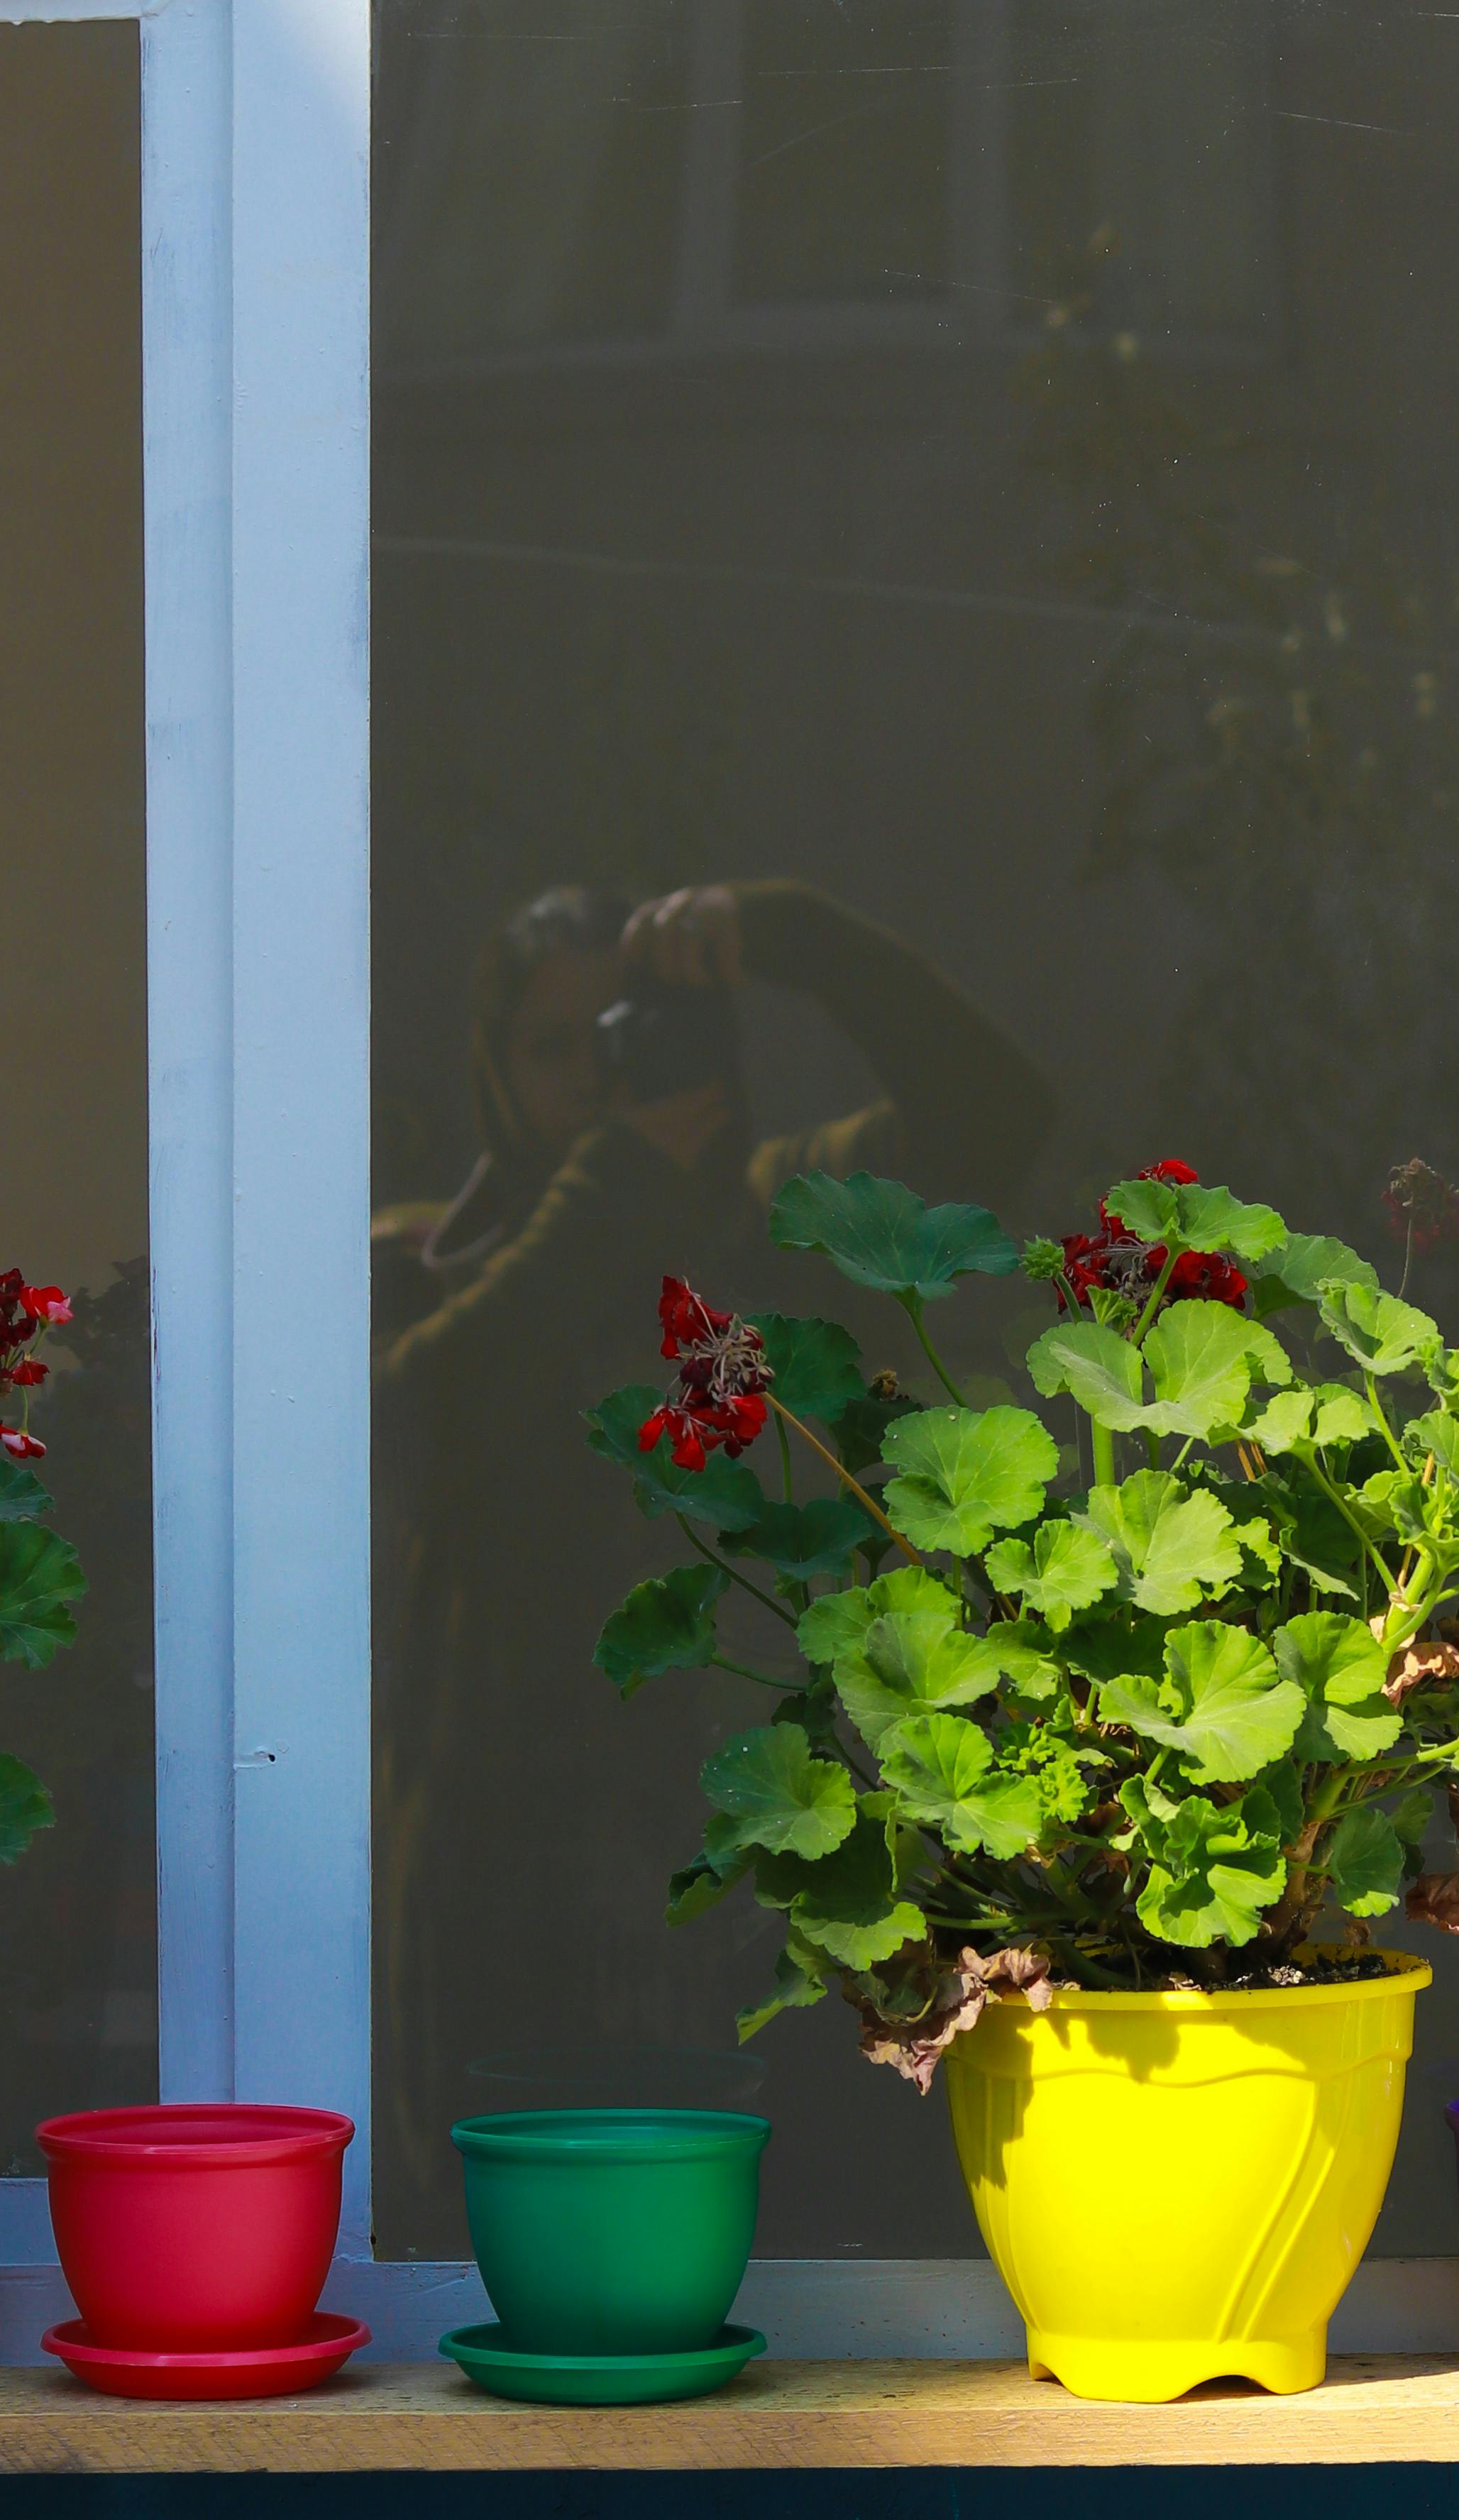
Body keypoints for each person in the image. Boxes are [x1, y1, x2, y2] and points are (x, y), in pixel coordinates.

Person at [370, 878, 1052, 2252]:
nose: (602, 1071)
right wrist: (613, 1191)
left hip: (766, 1840)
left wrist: (809, 941)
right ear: (493, 1073)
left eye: (634, 1026)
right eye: (555, 1047)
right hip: (511, 1850)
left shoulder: (778, 1213)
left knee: (792, 2246)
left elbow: (999, 1120)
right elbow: (414, 1419)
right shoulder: (429, 1259)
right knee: (503, 2250)